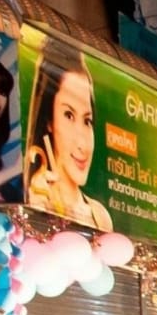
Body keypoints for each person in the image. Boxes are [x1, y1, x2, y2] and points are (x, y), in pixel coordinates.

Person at [23, 34, 111, 229]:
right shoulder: (32, 199)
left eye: (87, 121)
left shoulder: (100, 216)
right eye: (69, 115)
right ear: (49, 121)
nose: (82, 143)